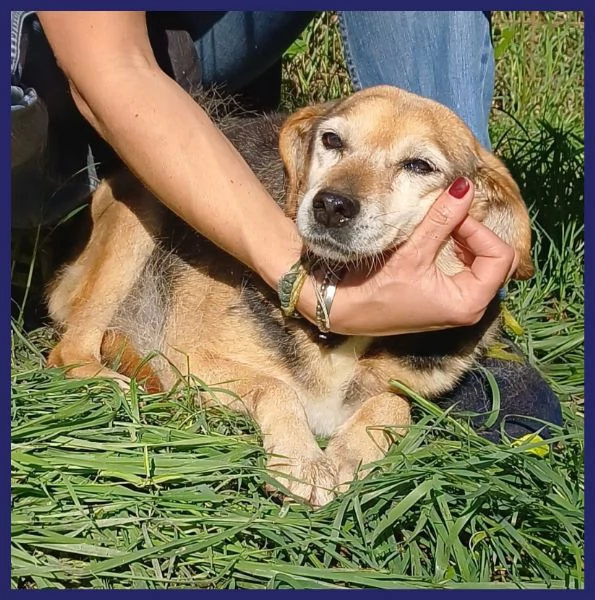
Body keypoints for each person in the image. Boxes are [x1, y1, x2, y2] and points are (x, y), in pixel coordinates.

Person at [11, 10, 562, 439]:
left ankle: (447, 306)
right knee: (135, 201)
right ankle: (82, 347)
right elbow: (111, 68)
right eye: (335, 142)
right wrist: (311, 289)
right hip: (47, 69)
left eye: (416, 165)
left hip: (179, 34)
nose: (339, 199)